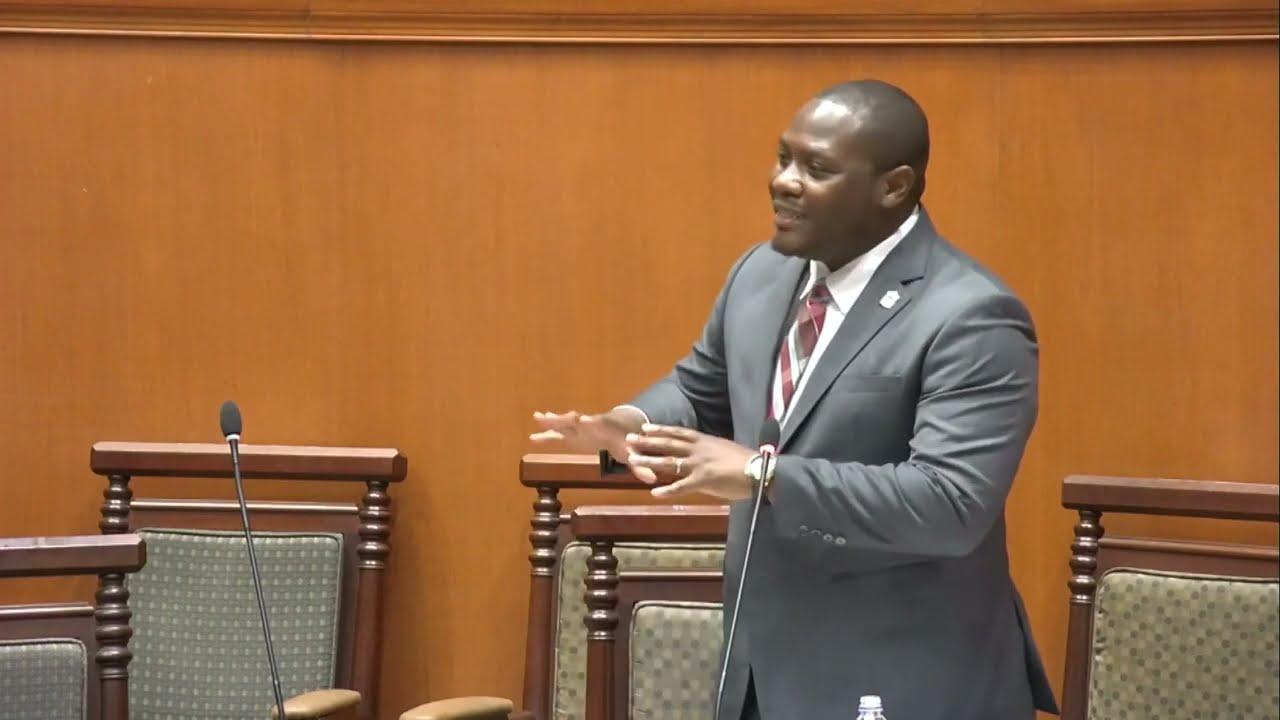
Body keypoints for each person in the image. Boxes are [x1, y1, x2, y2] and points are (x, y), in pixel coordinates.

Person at [531, 79, 1059, 720]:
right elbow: (701, 390)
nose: (784, 181)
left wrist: (765, 475)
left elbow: (950, 504)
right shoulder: (761, 272)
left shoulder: (970, 315)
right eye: (784, 158)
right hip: (760, 671)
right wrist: (630, 423)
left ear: (893, 187)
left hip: (904, 676)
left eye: (817, 168)